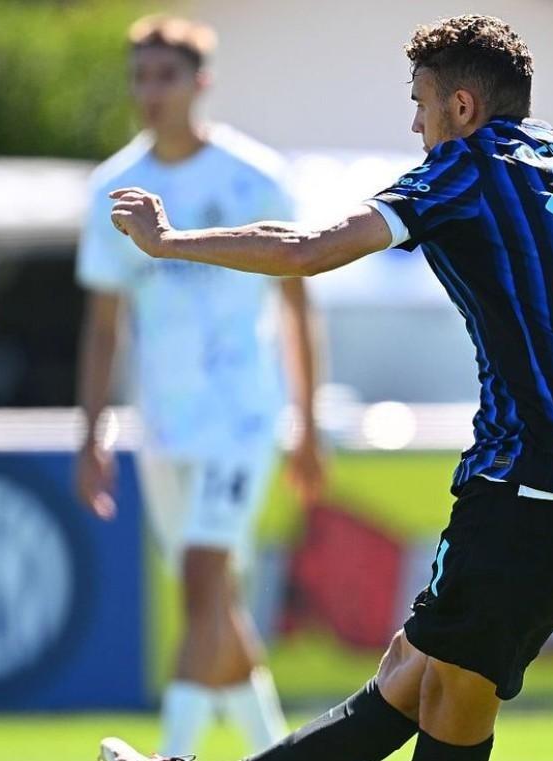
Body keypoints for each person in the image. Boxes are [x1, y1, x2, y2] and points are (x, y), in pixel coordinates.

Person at [99, 15, 553, 761]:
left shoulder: (468, 168)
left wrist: (171, 241)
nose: (414, 124)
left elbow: (307, 248)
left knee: (448, 691)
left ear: (462, 106)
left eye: (420, 103)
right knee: (411, 676)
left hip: (530, 486)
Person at [75, 14, 325, 757]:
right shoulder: (112, 188)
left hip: (242, 417)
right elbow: (103, 325)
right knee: (216, 603)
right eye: (140, 77)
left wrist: (307, 420)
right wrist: (91, 433)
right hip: (163, 424)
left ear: (200, 83)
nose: (151, 92)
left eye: (166, 76)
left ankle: (172, 753)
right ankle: (274, 749)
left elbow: (297, 305)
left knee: (203, 581)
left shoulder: (256, 177)